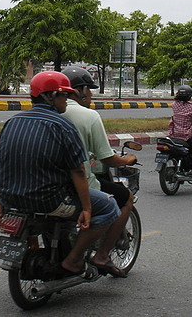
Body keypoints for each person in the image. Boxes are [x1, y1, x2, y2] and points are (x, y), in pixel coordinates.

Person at [0, 71, 120, 279]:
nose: (66, 101)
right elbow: (78, 171)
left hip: (10, 199)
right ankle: (74, 260)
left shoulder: (12, 122)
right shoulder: (62, 126)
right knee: (109, 207)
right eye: (63, 96)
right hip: (49, 201)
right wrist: (86, 208)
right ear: (50, 97)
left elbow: (1, 164)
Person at [60, 66, 136, 278]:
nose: (91, 95)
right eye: (90, 90)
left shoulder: (46, 114)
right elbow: (106, 158)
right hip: (77, 183)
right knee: (122, 198)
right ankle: (101, 255)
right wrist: (127, 159)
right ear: (79, 90)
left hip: (47, 182)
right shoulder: (89, 116)